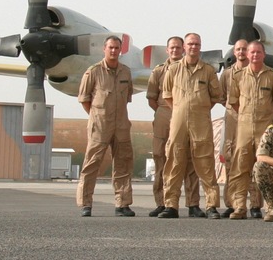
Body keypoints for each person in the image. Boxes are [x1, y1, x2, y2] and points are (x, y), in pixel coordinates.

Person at [158, 33, 225, 219]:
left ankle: (211, 206)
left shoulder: (208, 71)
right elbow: (167, 96)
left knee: (205, 163)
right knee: (174, 161)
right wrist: (181, 109)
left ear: (200, 46)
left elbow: (215, 96)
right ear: (184, 47)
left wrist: (199, 109)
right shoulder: (173, 70)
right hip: (178, 122)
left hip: (201, 122)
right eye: (190, 44)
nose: (193, 47)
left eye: (196, 44)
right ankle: (170, 205)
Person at [225, 40, 273, 219]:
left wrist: (264, 116)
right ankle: (239, 207)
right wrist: (247, 116)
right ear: (247, 54)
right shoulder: (238, 76)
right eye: (251, 52)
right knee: (240, 168)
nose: (254, 55)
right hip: (243, 128)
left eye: (258, 52)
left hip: (264, 128)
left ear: (263, 54)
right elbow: (234, 102)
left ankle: (271, 207)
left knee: (267, 167)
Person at [75, 35, 135, 217]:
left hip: (121, 124)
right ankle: (85, 203)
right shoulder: (92, 72)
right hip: (100, 125)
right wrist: (96, 116)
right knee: (92, 164)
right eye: (111, 48)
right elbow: (85, 100)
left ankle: (122, 203)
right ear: (104, 49)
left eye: (117, 48)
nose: (114, 51)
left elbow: (127, 97)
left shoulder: (126, 72)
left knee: (123, 164)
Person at [146, 36, 200, 216]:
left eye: (178, 47)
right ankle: (163, 202)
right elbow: (152, 98)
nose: (175, 50)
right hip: (164, 113)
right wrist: (168, 111)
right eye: (172, 48)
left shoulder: (196, 68)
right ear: (167, 50)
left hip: (188, 116)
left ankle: (193, 204)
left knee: (190, 159)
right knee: (161, 158)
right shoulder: (159, 71)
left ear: (183, 49)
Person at [218, 38, 250, 215]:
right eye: (238, 49)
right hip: (232, 120)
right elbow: (222, 97)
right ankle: (231, 203)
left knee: (252, 161)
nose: (241, 52)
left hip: (252, 121)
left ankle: (254, 205)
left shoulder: (257, 73)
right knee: (230, 161)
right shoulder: (227, 75)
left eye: (244, 49)